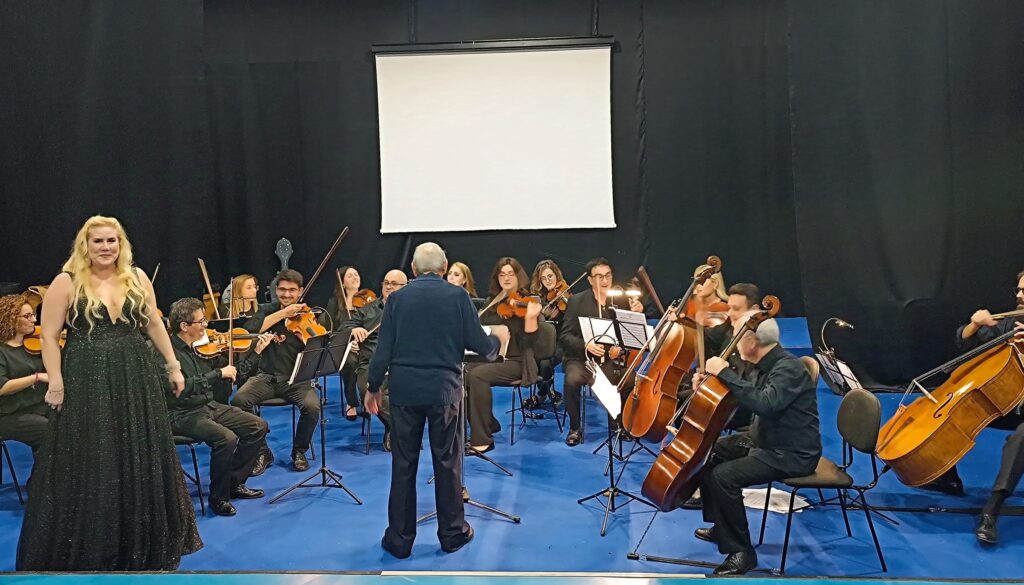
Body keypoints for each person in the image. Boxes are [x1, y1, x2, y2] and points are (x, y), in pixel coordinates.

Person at [16, 215, 202, 571]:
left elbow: (153, 323)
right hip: (87, 376)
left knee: (138, 449)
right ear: (85, 245)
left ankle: (141, 544)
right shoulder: (65, 282)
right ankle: (94, 547)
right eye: (98, 241)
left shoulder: (137, 278)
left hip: (136, 374)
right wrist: (55, 381)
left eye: (111, 241)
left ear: (121, 244)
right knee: (93, 454)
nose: (105, 248)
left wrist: (173, 365)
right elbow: (50, 336)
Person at [365, 242, 508, 559]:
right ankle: (452, 534)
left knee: (403, 465)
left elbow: (383, 350)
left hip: (404, 392)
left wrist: (373, 387)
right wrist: (497, 340)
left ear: (413, 270)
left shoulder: (397, 299)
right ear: (444, 269)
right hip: (444, 392)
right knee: (448, 463)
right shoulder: (458, 296)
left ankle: (400, 540)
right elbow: (481, 346)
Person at [690, 318, 821, 575]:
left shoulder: (789, 369)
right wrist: (703, 388)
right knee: (711, 452)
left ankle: (742, 553)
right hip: (765, 441)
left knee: (723, 477)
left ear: (753, 341)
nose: (734, 343)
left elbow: (765, 404)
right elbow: (745, 404)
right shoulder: (760, 366)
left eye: (738, 337)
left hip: (791, 453)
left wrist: (725, 373)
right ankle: (722, 527)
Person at [161, 297, 273, 516]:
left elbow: (233, 372)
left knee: (258, 426)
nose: (206, 326)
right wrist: (217, 374)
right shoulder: (164, 353)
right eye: (201, 322)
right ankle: (218, 498)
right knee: (226, 438)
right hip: (181, 413)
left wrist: (255, 352)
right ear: (184, 326)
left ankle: (233, 483)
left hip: (208, 405)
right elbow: (182, 388)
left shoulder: (201, 347)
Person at [232, 268, 323, 474]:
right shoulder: (267, 310)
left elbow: (320, 347)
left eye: (292, 290)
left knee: (312, 407)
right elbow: (250, 329)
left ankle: (300, 450)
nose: (287, 295)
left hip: (297, 379)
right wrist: (283, 313)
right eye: (282, 290)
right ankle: (262, 451)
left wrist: (308, 344)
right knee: (239, 401)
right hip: (266, 377)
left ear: (300, 291)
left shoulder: (309, 314)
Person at [957, 270, 1024, 544]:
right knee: (959, 409)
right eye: (1019, 290)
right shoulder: (1011, 321)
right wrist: (974, 325)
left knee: (1022, 438)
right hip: (1007, 403)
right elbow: (964, 343)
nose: (1019, 295)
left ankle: (992, 509)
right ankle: (942, 475)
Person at [559, 257, 643, 446]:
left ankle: (618, 422)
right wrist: (586, 345)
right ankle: (575, 428)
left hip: (609, 361)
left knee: (630, 380)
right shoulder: (577, 302)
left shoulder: (620, 300)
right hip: (582, 359)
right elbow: (565, 336)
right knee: (571, 380)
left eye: (607, 275)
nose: (604, 281)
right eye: (599, 277)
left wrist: (636, 314)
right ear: (590, 279)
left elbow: (628, 337)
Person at [466, 257, 542, 451]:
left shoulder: (528, 302)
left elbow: (530, 344)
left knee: (477, 375)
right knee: (461, 373)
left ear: (518, 276)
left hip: (517, 361)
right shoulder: (493, 301)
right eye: (502, 274)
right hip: (491, 357)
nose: (506, 278)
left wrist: (531, 319)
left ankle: (482, 440)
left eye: (510, 274)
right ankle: (487, 423)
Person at [340, 268, 408, 451]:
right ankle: (395, 428)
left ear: (405, 287)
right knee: (366, 390)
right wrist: (353, 330)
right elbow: (345, 326)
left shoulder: (413, 310)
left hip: (403, 364)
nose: (389, 287)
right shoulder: (367, 311)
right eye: (386, 283)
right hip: (372, 363)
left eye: (394, 284)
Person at [0, 295, 50, 489]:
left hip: (37, 406)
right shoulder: (3, 351)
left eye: (33, 315)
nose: (34, 320)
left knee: (68, 424)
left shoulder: (35, 343)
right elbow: (2, 387)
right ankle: (38, 485)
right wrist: (36, 377)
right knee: (47, 431)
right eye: (27, 316)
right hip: (8, 414)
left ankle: (50, 484)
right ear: (12, 319)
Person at [523, 259, 566, 409]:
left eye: (550, 276)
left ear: (557, 275)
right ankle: (552, 392)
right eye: (543, 278)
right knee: (536, 359)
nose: (548, 281)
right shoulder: (537, 298)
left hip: (562, 341)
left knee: (546, 362)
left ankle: (540, 395)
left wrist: (565, 303)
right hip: (542, 342)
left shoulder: (565, 295)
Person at [327, 265, 369, 419]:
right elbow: (330, 330)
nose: (355, 277)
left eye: (357, 274)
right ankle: (351, 402)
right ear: (342, 283)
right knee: (350, 362)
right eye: (350, 276)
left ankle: (367, 398)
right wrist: (348, 343)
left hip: (365, 346)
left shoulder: (368, 301)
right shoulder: (335, 304)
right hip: (343, 348)